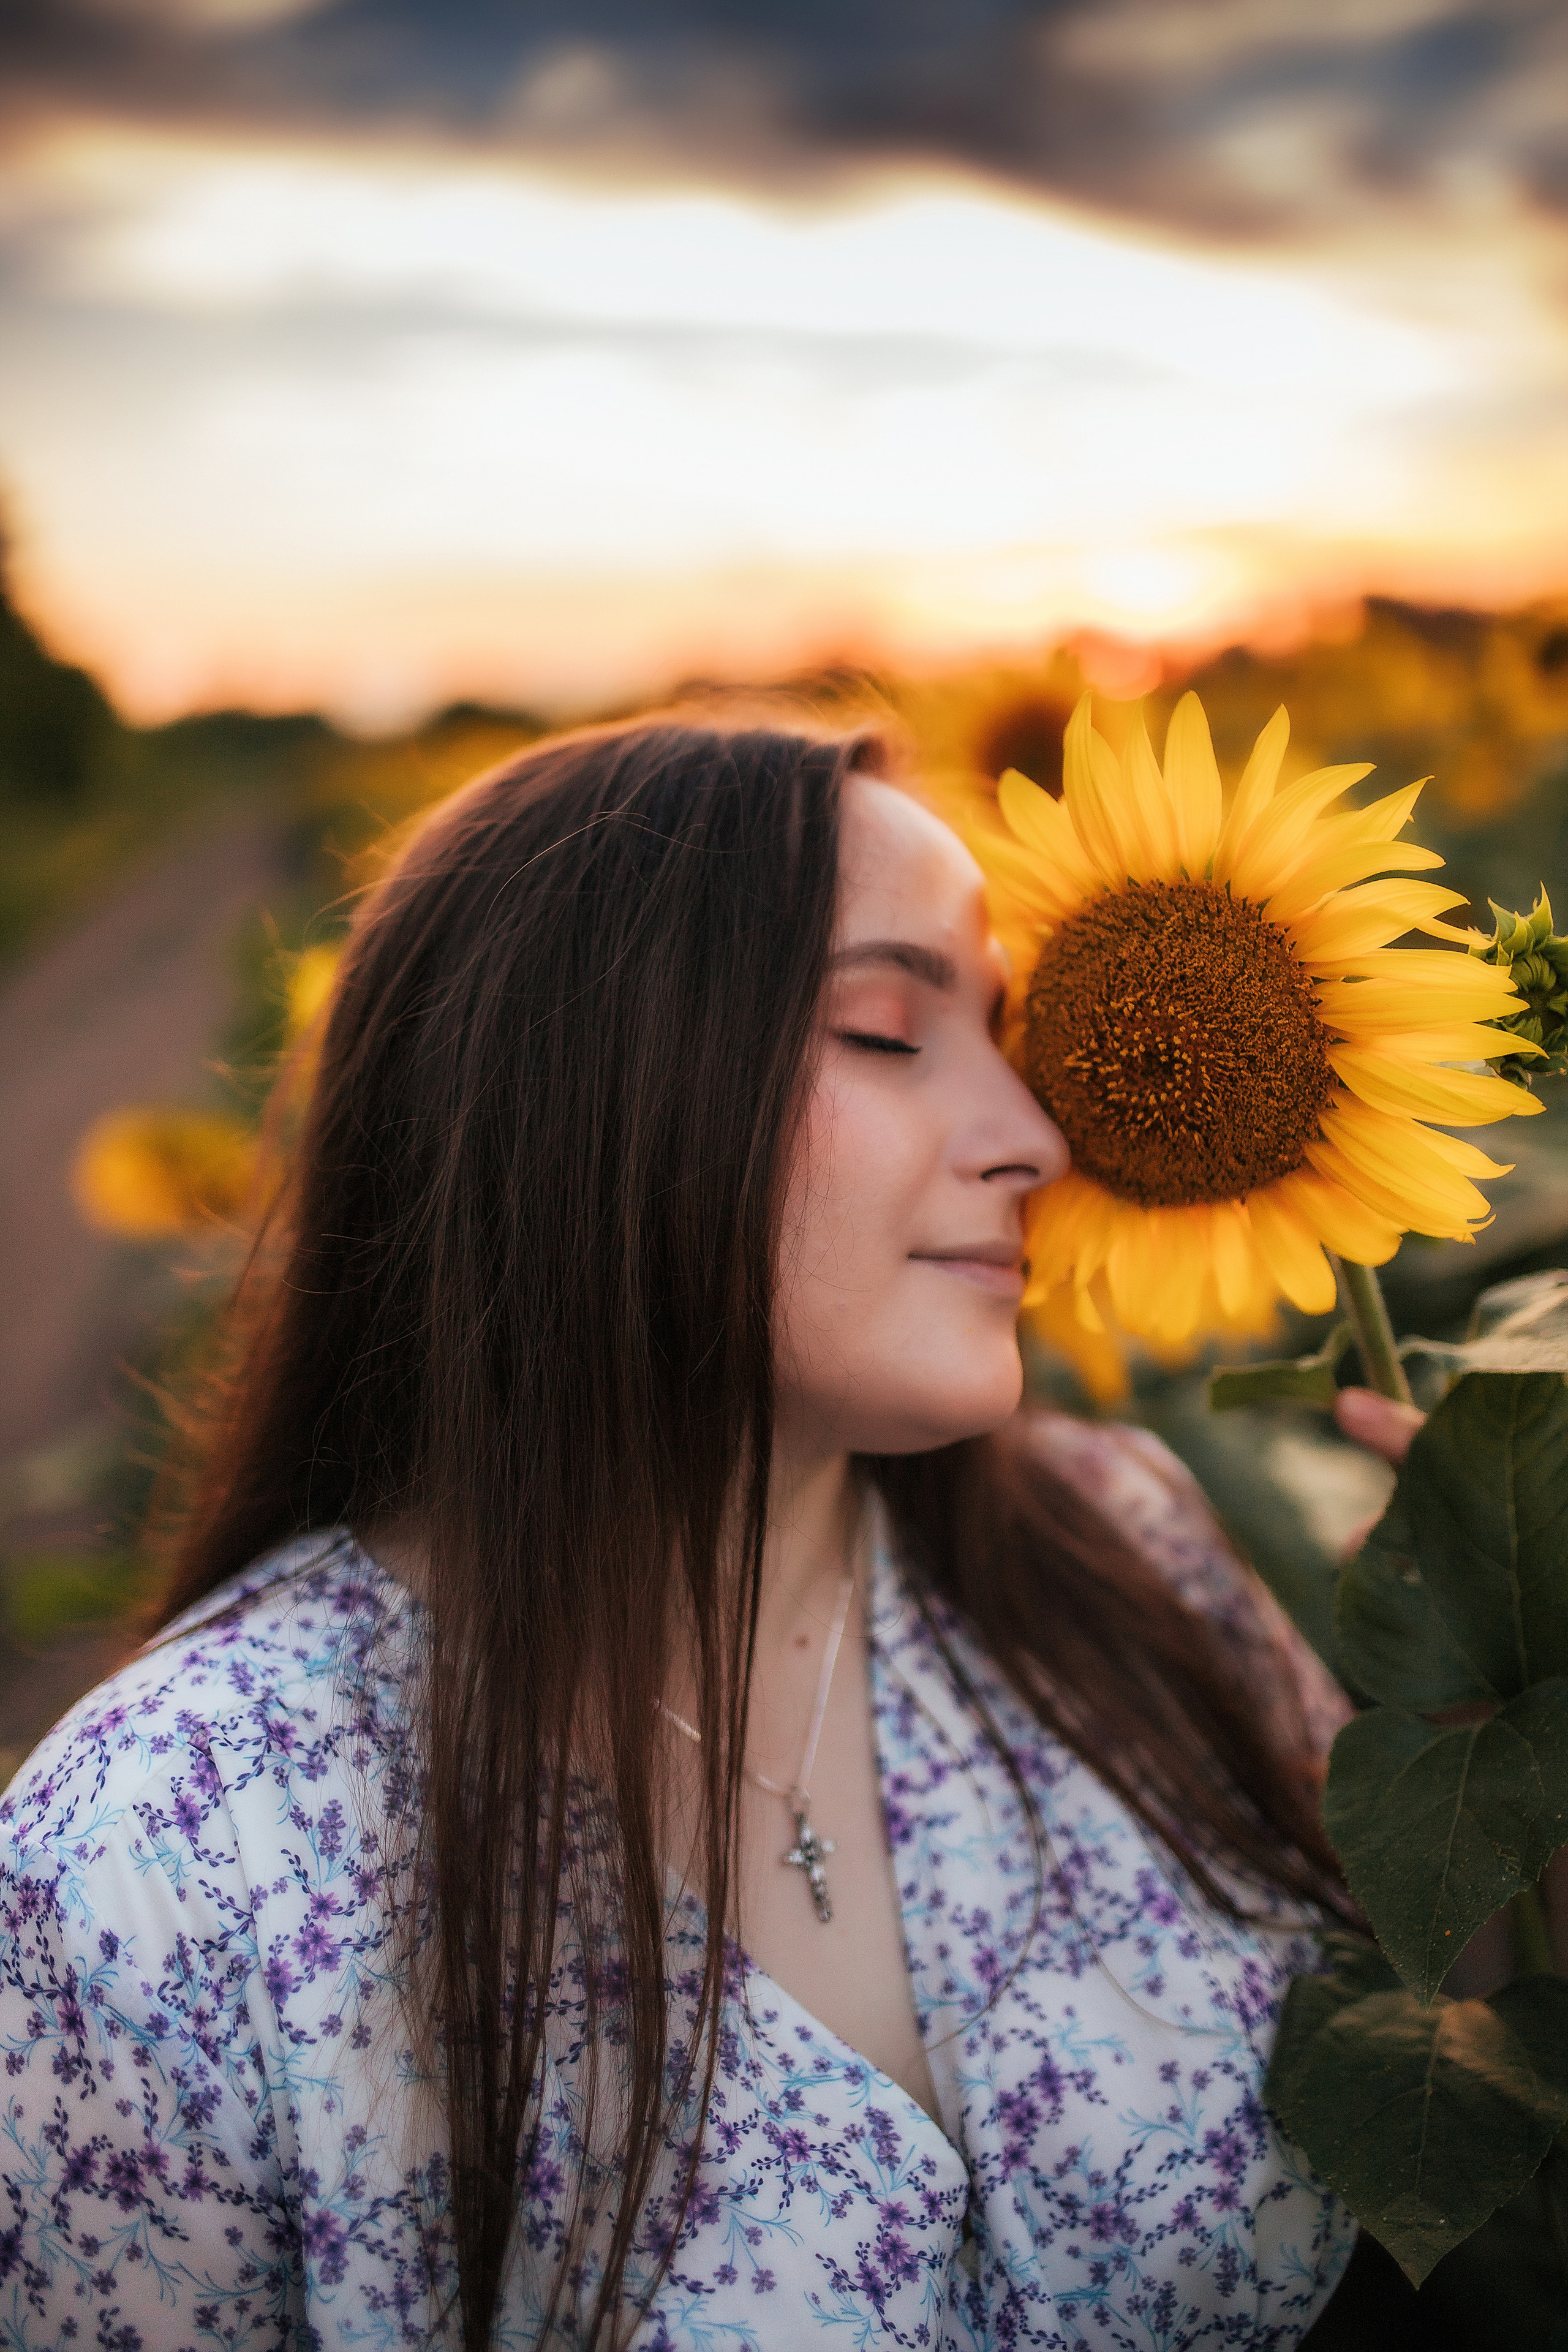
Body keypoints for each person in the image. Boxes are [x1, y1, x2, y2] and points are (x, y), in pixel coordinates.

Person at [0, 717, 1419, 2350]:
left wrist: (1513, 1631)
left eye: (1011, 1030)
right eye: (889, 1030)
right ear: (581, 1096)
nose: (1038, 1135)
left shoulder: (1128, 1542)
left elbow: (1461, 2038)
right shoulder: (155, 1866)